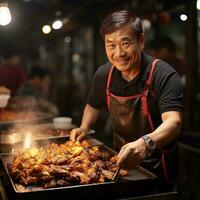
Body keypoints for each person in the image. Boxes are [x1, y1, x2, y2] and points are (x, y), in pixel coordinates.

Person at [70, 10, 183, 190]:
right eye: (111, 45)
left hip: (157, 171)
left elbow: (174, 122)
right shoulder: (103, 75)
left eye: (126, 43)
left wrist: (145, 143)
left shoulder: (163, 75)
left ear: (141, 41)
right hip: (119, 167)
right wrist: (84, 127)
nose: (119, 53)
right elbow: (92, 106)